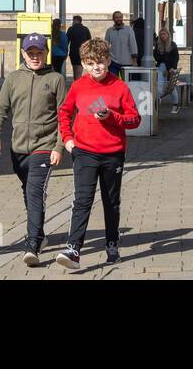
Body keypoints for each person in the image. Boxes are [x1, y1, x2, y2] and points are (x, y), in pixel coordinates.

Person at [56, 38, 141, 270]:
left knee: (111, 201)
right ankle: (73, 249)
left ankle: (112, 243)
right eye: (91, 63)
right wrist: (67, 138)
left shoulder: (120, 87)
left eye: (101, 62)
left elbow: (134, 119)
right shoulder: (78, 86)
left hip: (113, 153)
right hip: (84, 152)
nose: (97, 67)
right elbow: (64, 113)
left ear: (108, 61)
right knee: (82, 200)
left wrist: (112, 116)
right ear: (83, 64)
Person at [0, 33, 66, 267]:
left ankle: (32, 244)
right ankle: (39, 232)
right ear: (23, 53)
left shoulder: (56, 79)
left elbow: (65, 115)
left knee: (34, 191)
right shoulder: (13, 79)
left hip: (45, 146)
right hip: (18, 148)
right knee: (29, 191)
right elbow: (0, 109)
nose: (35, 57)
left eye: (39, 53)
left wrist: (59, 146)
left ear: (46, 53)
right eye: (30, 53)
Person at [153, 25, 180, 114]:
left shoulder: (172, 45)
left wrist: (171, 68)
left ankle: (175, 105)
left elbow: (175, 58)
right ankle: (156, 103)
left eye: (164, 34)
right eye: (161, 34)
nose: (162, 36)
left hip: (170, 68)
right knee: (159, 85)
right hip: (160, 67)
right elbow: (156, 57)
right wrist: (164, 57)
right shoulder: (158, 45)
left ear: (168, 35)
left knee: (171, 87)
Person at [104, 11, 138, 78]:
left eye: (120, 17)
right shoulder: (109, 31)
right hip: (113, 62)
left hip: (127, 62)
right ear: (113, 19)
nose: (119, 19)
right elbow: (105, 46)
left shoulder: (129, 29)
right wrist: (106, 59)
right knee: (113, 83)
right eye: (116, 17)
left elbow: (133, 44)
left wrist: (135, 61)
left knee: (126, 84)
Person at [66, 15, 91, 80]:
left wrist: (65, 52)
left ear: (74, 20)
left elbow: (67, 42)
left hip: (74, 53)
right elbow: (90, 41)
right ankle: (77, 83)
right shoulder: (86, 29)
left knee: (76, 71)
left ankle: (77, 84)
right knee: (79, 70)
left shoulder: (71, 29)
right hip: (84, 52)